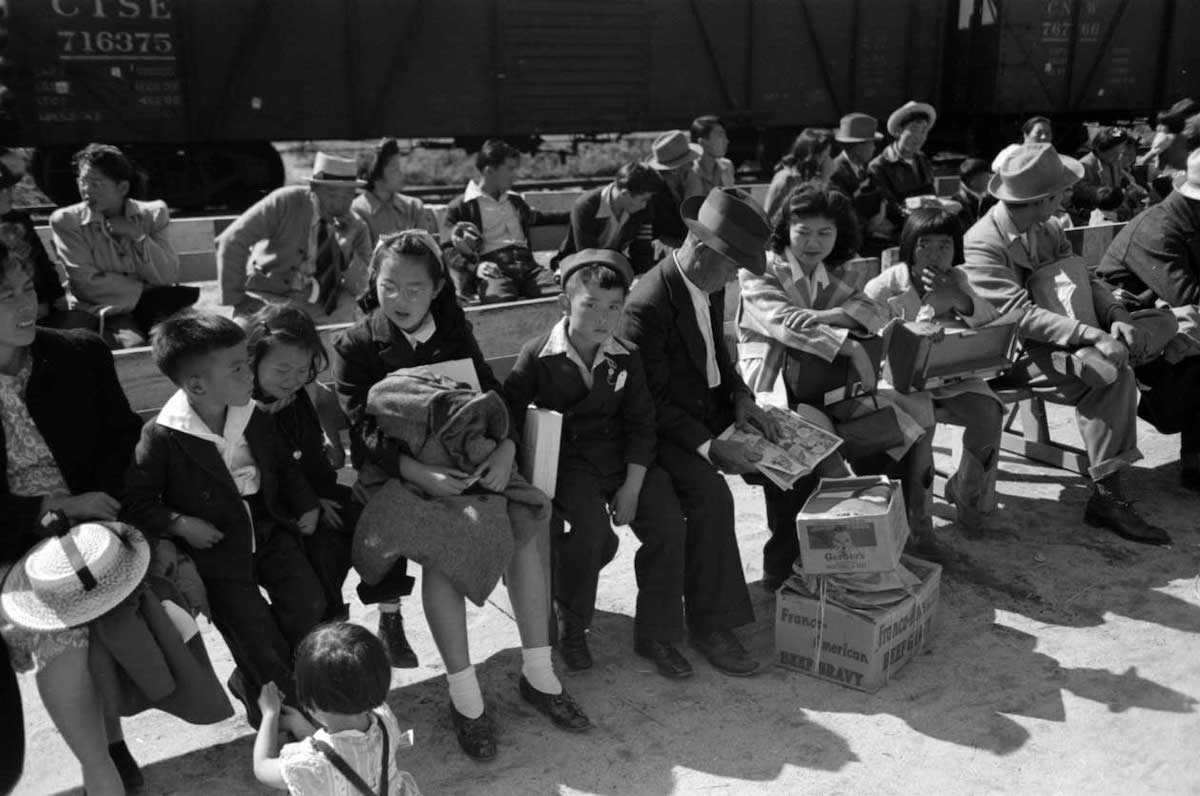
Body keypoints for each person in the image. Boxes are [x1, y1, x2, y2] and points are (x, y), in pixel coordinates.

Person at [333, 230, 590, 759]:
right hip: (402, 477)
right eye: (388, 286)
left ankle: (539, 674)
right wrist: (418, 473)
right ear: (373, 284)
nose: (400, 299)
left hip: (468, 460)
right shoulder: (358, 344)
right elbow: (362, 432)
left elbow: (489, 396)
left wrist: (503, 450)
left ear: (435, 291)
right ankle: (465, 697)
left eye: (414, 288)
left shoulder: (452, 327)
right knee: (449, 550)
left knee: (523, 522)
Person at [959, 143, 1174, 546]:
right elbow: (1017, 316)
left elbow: (1087, 279)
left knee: (1161, 322)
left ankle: (1126, 344)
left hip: (1076, 332)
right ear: (1039, 199)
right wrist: (1091, 336)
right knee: (1110, 375)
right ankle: (1108, 497)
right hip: (1014, 350)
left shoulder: (1049, 226)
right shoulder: (983, 242)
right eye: (1058, 194)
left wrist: (1117, 317)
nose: (1066, 198)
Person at [122, 311, 327, 727]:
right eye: (237, 367)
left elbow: (283, 467)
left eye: (245, 362)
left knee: (309, 602)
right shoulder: (163, 436)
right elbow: (138, 501)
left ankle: (262, 688)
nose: (249, 373)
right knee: (254, 633)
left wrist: (305, 503)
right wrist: (179, 523)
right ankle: (287, 720)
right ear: (197, 384)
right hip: (217, 552)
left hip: (270, 531)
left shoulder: (252, 413)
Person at [503, 249, 694, 678]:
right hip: (568, 465)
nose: (602, 318)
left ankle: (656, 634)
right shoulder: (537, 355)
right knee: (590, 533)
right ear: (565, 303)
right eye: (589, 304)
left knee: (667, 521)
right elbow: (511, 415)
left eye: (614, 307)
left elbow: (642, 424)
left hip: (623, 459)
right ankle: (574, 623)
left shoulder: (626, 355)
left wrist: (631, 486)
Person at [0, 243, 145, 795]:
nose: (23, 306)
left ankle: (107, 751)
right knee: (58, 623)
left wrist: (92, 511)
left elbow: (124, 443)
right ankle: (100, 763)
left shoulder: (79, 353)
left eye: (26, 290)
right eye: (4, 296)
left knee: (87, 598)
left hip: (95, 527)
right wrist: (50, 510)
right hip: (11, 543)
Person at [737, 185, 938, 570]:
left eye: (824, 233)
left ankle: (885, 540)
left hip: (828, 385)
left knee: (896, 436)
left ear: (838, 233)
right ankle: (784, 567)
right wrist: (848, 346)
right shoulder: (761, 268)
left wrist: (827, 317)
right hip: (771, 388)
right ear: (785, 229)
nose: (813, 242)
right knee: (800, 458)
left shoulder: (837, 270)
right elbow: (782, 323)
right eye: (803, 231)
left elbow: (872, 311)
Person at [618, 187, 776, 676]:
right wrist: (712, 447)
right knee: (711, 497)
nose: (736, 277)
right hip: (667, 430)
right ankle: (711, 625)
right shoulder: (648, 303)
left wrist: (742, 399)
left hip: (707, 411)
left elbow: (719, 359)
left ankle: (787, 568)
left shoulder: (706, 282)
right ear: (706, 253)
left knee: (793, 454)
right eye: (733, 267)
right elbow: (652, 404)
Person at [864, 207, 1005, 530]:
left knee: (988, 413)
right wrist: (929, 314)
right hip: (899, 381)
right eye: (924, 244)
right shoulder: (884, 287)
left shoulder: (957, 279)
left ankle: (966, 492)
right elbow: (876, 347)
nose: (934, 254)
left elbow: (988, 320)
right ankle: (920, 516)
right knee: (922, 427)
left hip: (948, 375)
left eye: (945, 246)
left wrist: (958, 298)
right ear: (909, 246)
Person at [242, 305, 356, 621]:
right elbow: (268, 473)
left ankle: (389, 610)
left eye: (303, 370)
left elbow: (310, 439)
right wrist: (311, 502)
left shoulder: (297, 391)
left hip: (318, 491)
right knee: (320, 552)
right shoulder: (243, 410)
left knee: (376, 517)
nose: (293, 379)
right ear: (252, 360)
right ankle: (331, 624)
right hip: (280, 509)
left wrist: (331, 443)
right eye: (282, 370)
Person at [1095, 147, 1200, 491]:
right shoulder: (1160, 227)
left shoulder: (1189, 217)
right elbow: (1187, 297)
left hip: (1162, 317)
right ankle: (1195, 460)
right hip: (1125, 321)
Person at [48, 143, 193, 348]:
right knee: (134, 347)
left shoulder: (153, 214)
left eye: (96, 183)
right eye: (82, 181)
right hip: (104, 309)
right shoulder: (67, 221)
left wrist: (138, 237)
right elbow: (86, 283)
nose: (87, 190)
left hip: (157, 305)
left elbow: (167, 275)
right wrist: (145, 288)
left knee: (190, 344)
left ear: (122, 187)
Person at [253, 623, 420, 795]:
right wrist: (298, 724)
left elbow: (262, 768)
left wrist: (269, 714)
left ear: (310, 704)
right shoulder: (386, 720)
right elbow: (337, 753)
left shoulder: (307, 765)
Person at [216, 152, 373, 323]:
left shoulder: (357, 226)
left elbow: (363, 287)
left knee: (353, 330)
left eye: (349, 196)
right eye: (332, 195)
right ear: (314, 188)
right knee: (246, 337)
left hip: (321, 305)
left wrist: (347, 253)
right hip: (268, 297)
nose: (340, 204)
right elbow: (231, 240)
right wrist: (238, 299)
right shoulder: (285, 202)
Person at [442, 139, 564, 304]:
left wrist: (578, 213)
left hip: (529, 269)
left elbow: (540, 218)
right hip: (495, 270)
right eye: (510, 169)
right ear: (489, 171)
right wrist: (475, 267)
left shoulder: (515, 201)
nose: (515, 175)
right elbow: (448, 248)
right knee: (498, 300)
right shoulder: (462, 206)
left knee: (559, 295)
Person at [554, 161, 661, 275]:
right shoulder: (586, 206)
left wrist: (643, 277)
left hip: (613, 263)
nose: (645, 205)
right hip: (577, 263)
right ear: (624, 194)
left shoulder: (644, 209)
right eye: (643, 199)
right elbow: (586, 254)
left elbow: (642, 250)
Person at [0, 159, 67, 324]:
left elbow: (42, 262)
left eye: (11, 187)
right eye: (4, 189)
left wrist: (55, 298)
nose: (11, 193)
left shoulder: (20, 220)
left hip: (41, 306)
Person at [868, 100, 938, 236]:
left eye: (924, 131)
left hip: (926, 228)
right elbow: (890, 206)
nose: (919, 137)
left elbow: (932, 195)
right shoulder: (879, 166)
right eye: (913, 130)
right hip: (898, 233)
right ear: (899, 131)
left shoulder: (923, 160)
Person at [352, 137, 439, 245]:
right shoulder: (358, 211)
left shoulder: (413, 207)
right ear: (377, 176)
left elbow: (426, 250)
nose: (400, 173)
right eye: (395, 168)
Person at [828, 113, 887, 255]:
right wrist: (871, 226)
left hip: (865, 237)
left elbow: (881, 194)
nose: (874, 148)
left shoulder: (863, 168)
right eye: (871, 143)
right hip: (847, 244)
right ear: (857, 147)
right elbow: (843, 214)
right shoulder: (835, 173)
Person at [1068, 127, 1145, 224]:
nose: (1118, 156)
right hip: (1094, 218)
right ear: (1100, 150)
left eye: (1120, 152)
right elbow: (1082, 197)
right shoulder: (1085, 167)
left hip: (1113, 213)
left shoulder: (1113, 161)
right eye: (1114, 153)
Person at [645, 130, 705, 248]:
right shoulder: (653, 195)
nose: (693, 165)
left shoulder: (684, 184)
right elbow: (674, 233)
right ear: (675, 170)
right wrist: (690, 200)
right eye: (689, 162)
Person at [763, 128, 834, 222]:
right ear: (812, 156)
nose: (827, 161)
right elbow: (769, 218)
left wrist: (825, 179)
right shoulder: (786, 179)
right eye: (824, 156)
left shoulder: (810, 179)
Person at [691, 115, 736, 193]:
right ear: (703, 142)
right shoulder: (690, 170)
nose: (726, 141)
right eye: (720, 136)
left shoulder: (727, 166)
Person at [955, 157, 995, 226]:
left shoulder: (990, 198)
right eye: (986, 176)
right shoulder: (957, 206)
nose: (990, 178)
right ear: (972, 182)